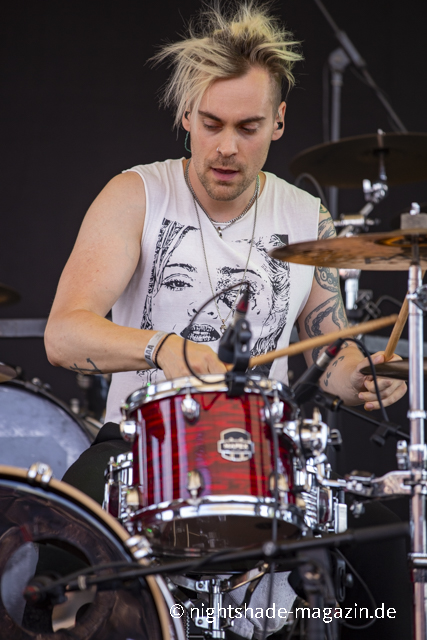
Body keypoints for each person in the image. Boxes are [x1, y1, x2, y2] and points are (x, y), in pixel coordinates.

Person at [44, 3, 409, 638]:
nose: (227, 146)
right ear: (186, 115)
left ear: (279, 122)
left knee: (385, 553)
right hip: (140, 449)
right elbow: (63, 334)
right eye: (211, 123)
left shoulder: (307, 217)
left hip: (265, 460)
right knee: (47, 563)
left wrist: (359, 377)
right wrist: (164, 348)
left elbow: (329, 352)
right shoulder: (136, 195)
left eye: (248, 126)